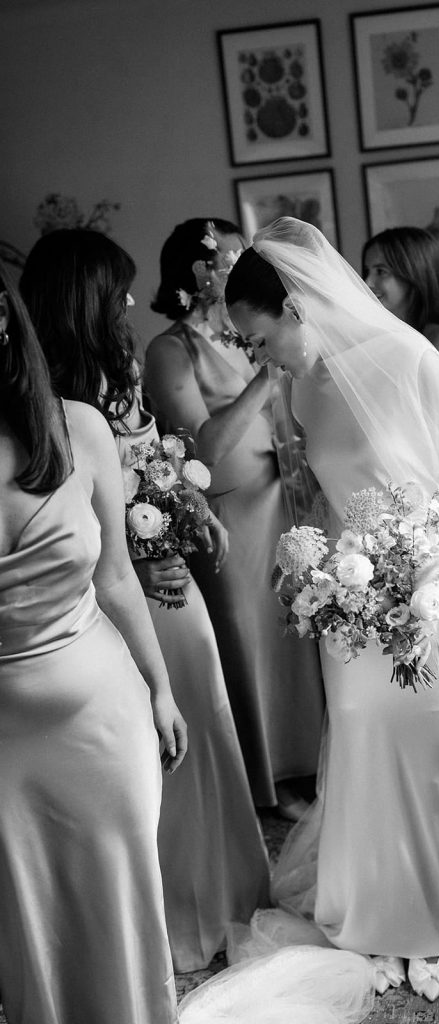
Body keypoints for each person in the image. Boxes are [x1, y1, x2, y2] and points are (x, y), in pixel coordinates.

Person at [177, 216, 439, 1020]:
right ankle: (367, 915)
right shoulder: (302, 385)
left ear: (297, 308)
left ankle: (420, 924)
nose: (260, 358)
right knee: (360, 750)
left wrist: (433, 577)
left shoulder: (408, 358)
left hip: (433, 593)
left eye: (262, 341)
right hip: (352, 603)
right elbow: (324, 498)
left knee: (427, 761)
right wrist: (314, 572)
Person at [20, 227, 272, 974]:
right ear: (83, 300)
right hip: (119, 592)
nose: (130, 302)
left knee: (206, 719)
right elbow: (67, 522)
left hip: (170, 574)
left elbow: (159, 456)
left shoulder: (124, 367)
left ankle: (230, 892)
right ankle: (173, 911)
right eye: (117, 290)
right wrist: (137, 553)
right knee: (157, 749)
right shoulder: (52, 403)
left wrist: (192, 512)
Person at [0, 260, 187, 1023]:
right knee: (31, 922)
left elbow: (115, 578)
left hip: (102, 722)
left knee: (121, 903)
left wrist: (161, 688)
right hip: (5, 746)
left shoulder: (77, 425)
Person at [145, 218, 324, 817]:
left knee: (293, 636)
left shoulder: (242, 334)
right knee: (249, 646)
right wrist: (264, 380)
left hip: (283, 502)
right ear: (200, 273)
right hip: (227, 517)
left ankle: (308, 765)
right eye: (229, 258)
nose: (240, 265)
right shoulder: (171, 349)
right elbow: (200, 450)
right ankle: (267, 782)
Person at [362, 226, 439, 384]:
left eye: (381, 271)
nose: (367, 282)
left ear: (413, 273)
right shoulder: (377, 336)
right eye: (367, 271)